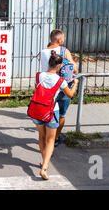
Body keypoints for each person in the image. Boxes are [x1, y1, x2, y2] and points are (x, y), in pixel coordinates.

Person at [32, 51, 79, 180]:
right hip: (52, 111)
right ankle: (45, 167)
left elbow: (38, 89)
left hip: (37, 111)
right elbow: (70, 95)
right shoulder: (60, 80)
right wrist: (75, 84)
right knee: (50, 140)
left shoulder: (38, 76)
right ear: (59, 67)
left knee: (41, 137)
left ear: (49, 63)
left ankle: (43, 160)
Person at [40, 29, 78, 147]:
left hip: (47, 88)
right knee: (61, 114)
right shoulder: (64, 50)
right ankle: (55, 138)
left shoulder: (42, 52)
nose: (64, 40)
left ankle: (47, 138)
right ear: (59, 39)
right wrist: (73, 61)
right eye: (63, 38)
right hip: (62, 87)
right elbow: (74, 69)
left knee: (48, 112)